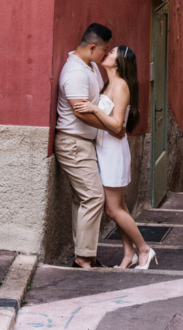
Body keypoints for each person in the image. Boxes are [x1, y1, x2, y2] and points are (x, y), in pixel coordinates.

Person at [73, 45, 156, 270]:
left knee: (112, 209)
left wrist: (94, 109)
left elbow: (117, 125)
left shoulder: (119, 86)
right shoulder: (110, 84)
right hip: (105, 149)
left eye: (111, 53)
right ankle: (129, 254)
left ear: (118, 63)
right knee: (120, 208)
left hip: (113, 152)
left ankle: (145, 249)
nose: (107, 53)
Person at [54, 22, 111, 269]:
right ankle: (83, 258)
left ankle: (84, 256)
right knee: (94, 196)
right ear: (92, 46)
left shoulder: (90, 67)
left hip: (84, 143)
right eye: (104, 50)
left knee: (83, 199)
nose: (106, 55)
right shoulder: (75, 72)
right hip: (73, 143)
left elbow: (95, 99)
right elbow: (79, 111)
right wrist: (109, 124)